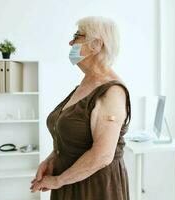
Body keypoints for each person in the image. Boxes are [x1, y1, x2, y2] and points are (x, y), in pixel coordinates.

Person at [30, 16, 131, 200]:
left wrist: (58, 181)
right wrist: (52, 159)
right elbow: (73, 136)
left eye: (77, 36)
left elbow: (102, 156)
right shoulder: (85, 84)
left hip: (95, 188)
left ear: (96, 44)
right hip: (69, 181)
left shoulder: (113, 92)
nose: (70, 42)